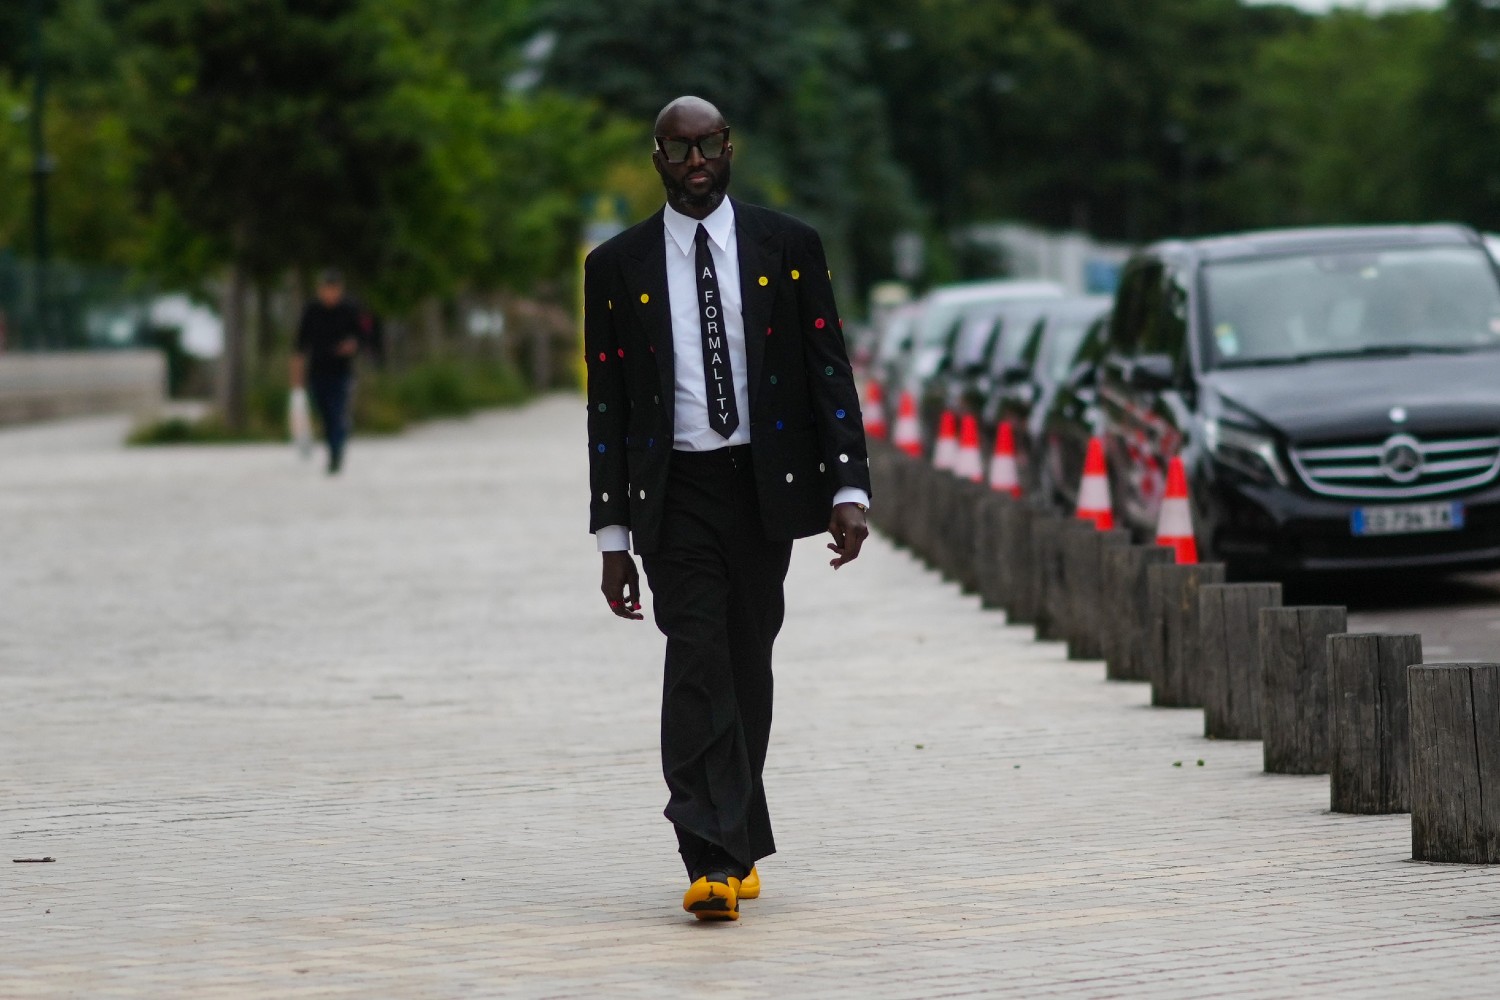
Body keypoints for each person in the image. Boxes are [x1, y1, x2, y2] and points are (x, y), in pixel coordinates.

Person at [584, 96, 871, 921]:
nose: (696, 161)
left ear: (729, 148)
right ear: (657, 160)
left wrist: (847, 488)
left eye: (709, 145)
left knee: (747, 661)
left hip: (763, 486)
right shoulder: (617, 266)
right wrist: (612, 534)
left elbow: (829, 371)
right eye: (679, 149)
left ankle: (735, 831)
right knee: (696, 653)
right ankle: (709, 854)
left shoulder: (789, 247)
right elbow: (607, 406)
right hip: (673, 491)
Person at [291, 270, 363, 474]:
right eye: (327, 289)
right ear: (320, 290)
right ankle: (334, 446)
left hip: (342, 371)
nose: (330, 294)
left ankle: (336, 453)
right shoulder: (311, 310)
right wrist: (296, 378)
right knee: (325, 414)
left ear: (340, 290)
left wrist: (352, 345)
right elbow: (299, 345)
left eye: (334, 290)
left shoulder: (350, 309)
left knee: (337, 411)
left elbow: (361, 336)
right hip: (317, 370)